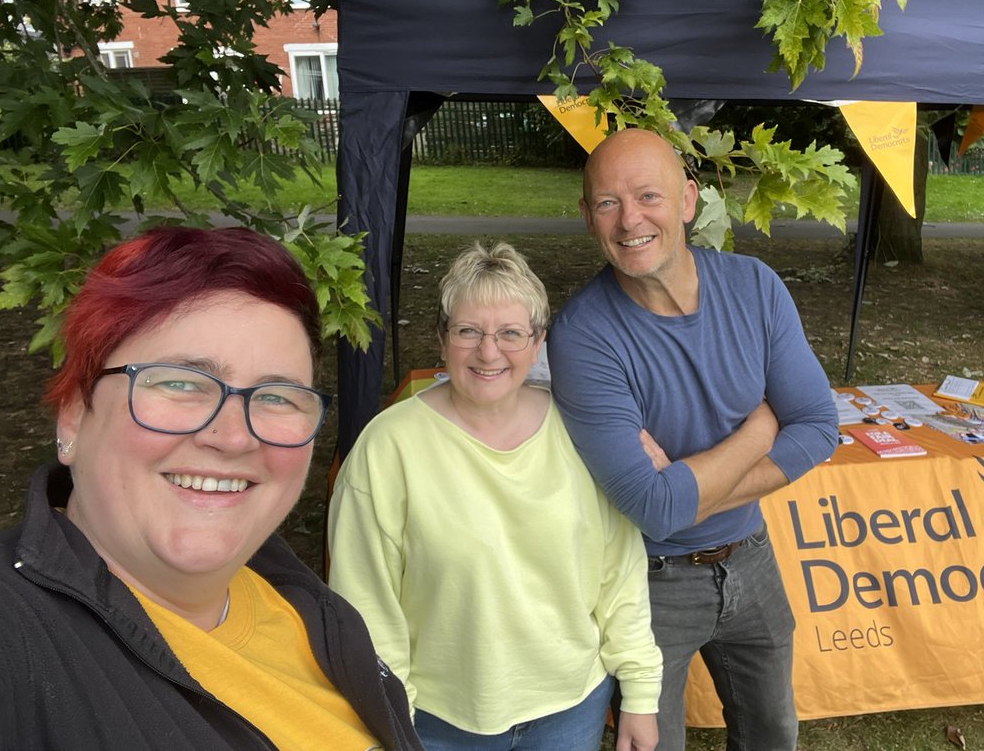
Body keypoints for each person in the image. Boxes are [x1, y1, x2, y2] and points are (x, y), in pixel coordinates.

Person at [0, 226, 422, 751]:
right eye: (179, 382)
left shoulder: (307, 606)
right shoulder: (12, 636)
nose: (235, 436)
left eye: (277, 396)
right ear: (74, 418)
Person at [548, 128, 839, 750]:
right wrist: (762, 428)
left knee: (773, 733)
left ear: (687, 200)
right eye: (607, 203)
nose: (630, 220)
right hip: (646, 583)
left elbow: (817, 428)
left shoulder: (754, 287)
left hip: (752, 558)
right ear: (587, 217)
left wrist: (689, 488)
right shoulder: (582, 335)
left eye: (648, 195)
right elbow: (651, 509)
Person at [328, 241, 662, 751]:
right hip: (439, 720)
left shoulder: (580, 428)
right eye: (468, 332)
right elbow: (365, 603)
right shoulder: (388, 447)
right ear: (442, 339)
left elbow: (620, 571)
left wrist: (639, 690)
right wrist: (389, 717)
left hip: (571, 706)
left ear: (538, 342)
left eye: (510, 333)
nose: (489, 352)